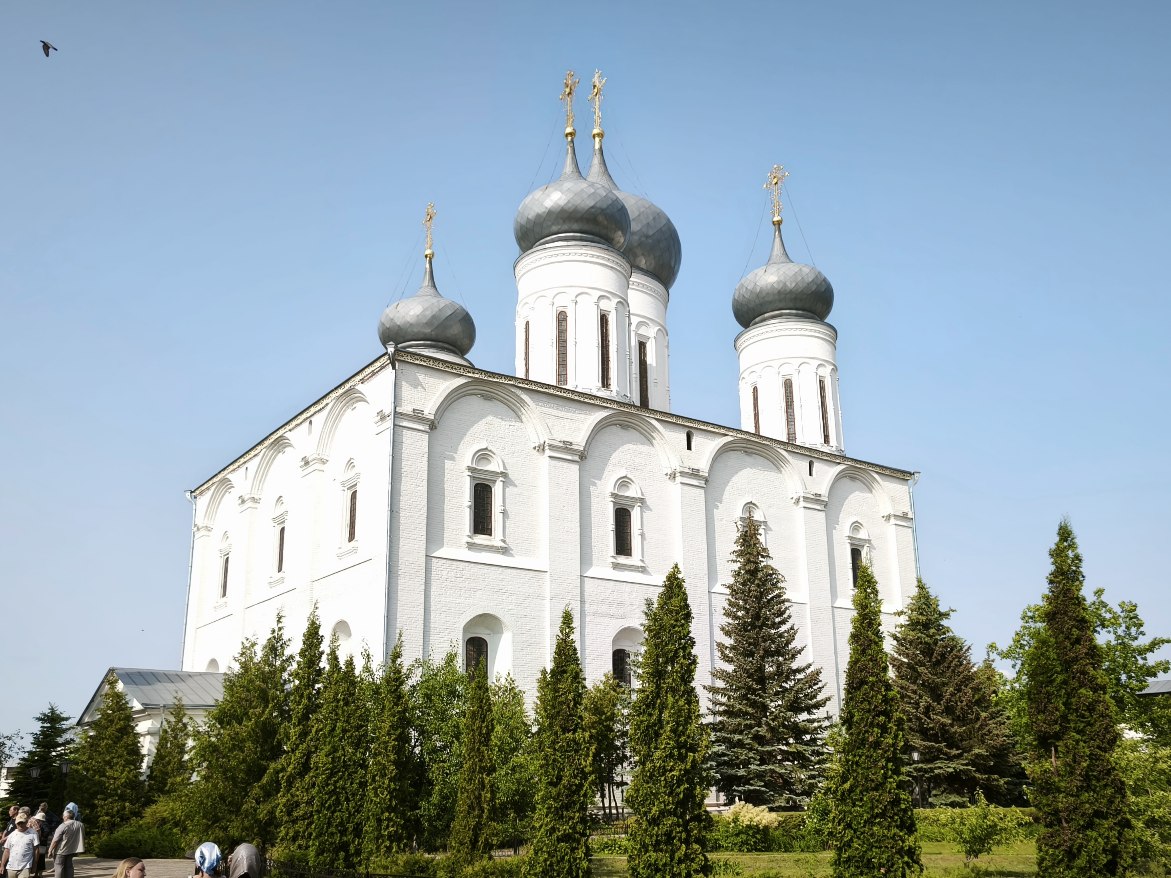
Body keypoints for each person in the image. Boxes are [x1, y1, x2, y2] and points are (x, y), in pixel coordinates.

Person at [46, 808, 83, 878]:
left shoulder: (63, 825)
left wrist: (50, 850)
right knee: (69, 866)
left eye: (63, 816)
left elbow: (55, 840)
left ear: (66, 817)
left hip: (61, 850)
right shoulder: (80, 825)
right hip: (72, 849)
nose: (62, 817)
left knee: (58, 866)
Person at [1, 813, 37, 878]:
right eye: (18, 823)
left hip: (25, 867)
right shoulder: (12, 835)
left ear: (26, 822)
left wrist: (34, 865)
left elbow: (36, 850)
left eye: (22, 823)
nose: (20, 825)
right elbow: (7, 850)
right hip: (11, 867)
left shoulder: (33, 833)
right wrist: (2, 865)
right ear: (16, 823)